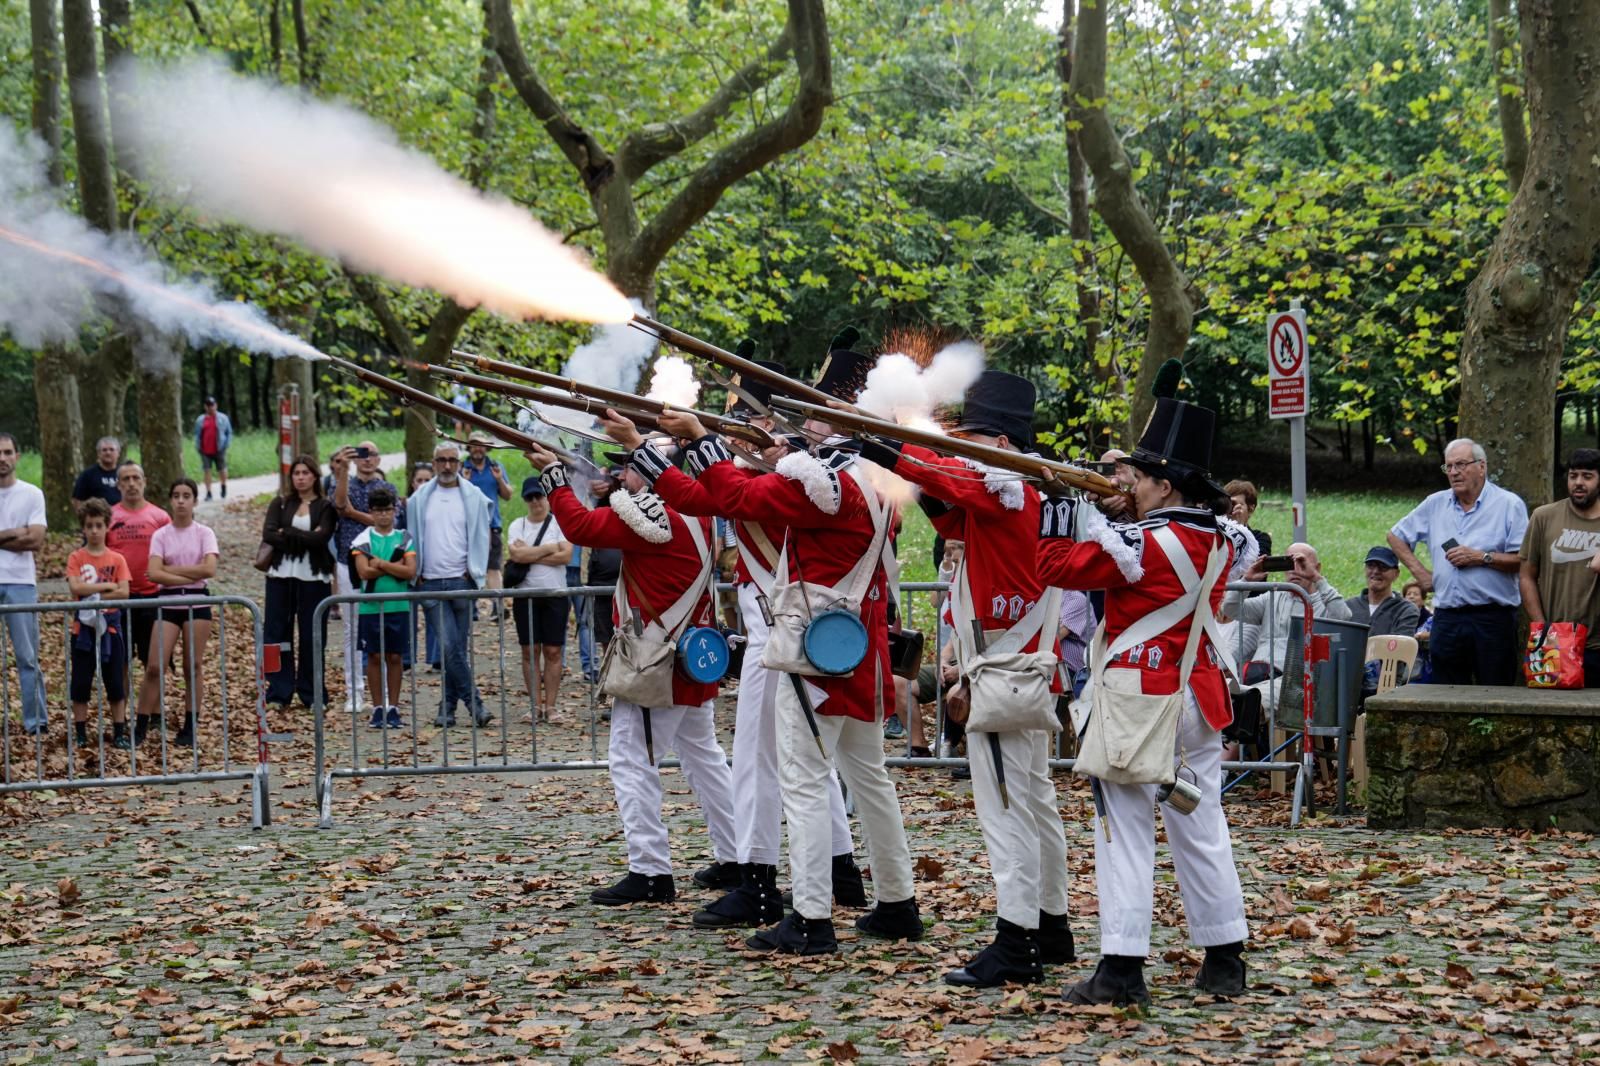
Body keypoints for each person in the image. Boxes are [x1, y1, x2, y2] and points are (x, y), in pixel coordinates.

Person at [652, 341, 923, 958]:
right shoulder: (871, 479)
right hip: (857, 649)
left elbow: (739, 500)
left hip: (818, 649)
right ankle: (898, 903)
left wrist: (701, 440)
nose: (809, 423)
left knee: (802, 778)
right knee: (868, 777)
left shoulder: (826, 483)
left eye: (825, 415)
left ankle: (810, 916)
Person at [601, 352, 866, 931]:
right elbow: (708, 497)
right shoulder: (794, 469)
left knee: (757, 761)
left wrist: (695, 443)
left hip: (783, 625)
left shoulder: (801, 474)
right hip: (784, 623)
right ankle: (841, 870)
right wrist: (646, 448)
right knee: (808, 763)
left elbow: (728, 496)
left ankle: (759, 882)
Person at [1037, 366, 1253, 1006]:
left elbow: (1055, 567)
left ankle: (1122, 968)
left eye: (1138, 476)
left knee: (1122, 829)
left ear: (1166, 484)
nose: (1127, 483)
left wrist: (1059, 508)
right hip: (1199, 694)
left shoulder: (1139, 541)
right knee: (1201, 821)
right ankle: (1223, 957)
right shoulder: (1225, 538)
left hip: (1139, 698)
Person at [860, 369, 1074, 988]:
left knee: (1006, 809)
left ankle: (1017, 940)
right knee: (1034, 803)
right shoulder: (1021, 496)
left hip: (1005, 670)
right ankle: (1052, 925)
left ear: (1000, 445)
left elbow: (943, 476)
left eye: (973, 438)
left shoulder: (1006, 489)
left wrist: (885, 438)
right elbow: (950, 514)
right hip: (1023, 668)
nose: (962, 449)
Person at [522, 440, 738, 908]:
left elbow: (578, 527)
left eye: (632, 469)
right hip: (689, 657)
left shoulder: (652, 515)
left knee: (630, 759)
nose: (624, 476)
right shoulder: (698, 512)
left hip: (656, 663)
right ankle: (736, 855)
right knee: (705, 759)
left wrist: (555, 477)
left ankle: (651, 868)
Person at [1387, 438, 1529, 686]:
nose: (1454, 472)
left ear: (1482, 466)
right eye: (1449, 467)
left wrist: (1481, 557)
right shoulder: (1435, 504)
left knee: (1495, 692)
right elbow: (1396, 535)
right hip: (1448, 616)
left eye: (1461, 465)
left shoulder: (1508, 504)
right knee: (1446, 693)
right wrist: (1421, 574)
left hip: (1492, 618)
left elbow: (1523, 560)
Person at [408, 442, 493, 728]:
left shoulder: (473, 496)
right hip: (430, 581)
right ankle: (475, 704)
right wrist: (416, 571)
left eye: (452, 461)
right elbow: (411, 534)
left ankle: (447, 709)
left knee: (454, 649)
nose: (447, 466)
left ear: (460, 464)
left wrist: (476, 571)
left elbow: (485, 527)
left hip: (462, 580)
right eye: (441, 460)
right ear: (433, 463)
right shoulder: (420, 498)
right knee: (449, 647)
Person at [139, 479, 220, 746]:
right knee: (154, 665)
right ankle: (140, 726)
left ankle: (190, 726)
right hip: (167, 603)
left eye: (187, 496)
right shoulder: (161, 535)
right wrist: (186, 573)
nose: (181, 500)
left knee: (192, 665)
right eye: (176, 496)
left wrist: (169, 571)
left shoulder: (204, 533)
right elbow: (153, 573)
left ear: (195, 501)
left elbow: (208, 570)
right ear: (171, 501)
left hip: (197, 604)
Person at [261, 455, 338, 712]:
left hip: (314, 578)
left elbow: (322, 538)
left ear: (315, 476)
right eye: (296, 473)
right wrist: (306, 535)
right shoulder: (280, 503)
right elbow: (269, 534)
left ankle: (313, 693)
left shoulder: (325, 506)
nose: (301, 477)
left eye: (306, 472)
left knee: (312, 635)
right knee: (276, 634)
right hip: (281, 575)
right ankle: (278, 691)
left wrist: (289, 534)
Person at [1519, 448, 1600, 686]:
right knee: (1548, 715)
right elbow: (1526, 576)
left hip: (1597, 644)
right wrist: (1541, 628)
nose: (1578, 483)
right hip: (1554, 643)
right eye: (1573, 475)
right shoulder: (1544, 517)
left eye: (1587, 476)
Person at [107, 463, 172, 740]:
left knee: (153, 662)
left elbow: (172, 552)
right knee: (120, 661)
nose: (131, 483)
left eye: (136, 478)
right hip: (119, 598)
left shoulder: (159, 516)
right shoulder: (109, 516)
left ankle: (155, 714)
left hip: (152, 597)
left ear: (144, 481)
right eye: (126, 479)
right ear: (118, 484)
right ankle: (121, 719)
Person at [331, 442, 397, 710]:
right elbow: (338, 505)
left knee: (380, 629)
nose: (367, 460)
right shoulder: (345, 483)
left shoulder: (388, 488)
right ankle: (354, 692)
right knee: (351, 630)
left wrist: (353, 514)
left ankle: (381, 695)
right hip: (349, 562)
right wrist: (343, 471)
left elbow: (389, 521)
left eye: (372, 455)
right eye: (362, 455)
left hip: (381, 562)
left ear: (380, 458)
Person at [67, 499, 132, 750]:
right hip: (82, 630)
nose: (94, 530)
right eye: (89, 526)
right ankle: (81, 732)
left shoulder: (117, 559)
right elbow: (76, 587)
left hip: (111, 629)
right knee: (81, 682)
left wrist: (95, 595)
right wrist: (106, 586)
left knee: (115, 681)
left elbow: (124, 592)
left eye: (98, 525)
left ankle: (119, 731)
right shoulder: (76, 557)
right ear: (83, 529)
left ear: (107, 527)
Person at [506, 477, 572, 722]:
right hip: (526, 596)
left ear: (547, 497)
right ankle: (535, 705)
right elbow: (516, 555)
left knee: (553, 651)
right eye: (530, 497)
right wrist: (549, 548)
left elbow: (566, 556)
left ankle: (551, 706)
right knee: (530, 650)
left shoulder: (559, 523)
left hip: (555, 594)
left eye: (539, 496)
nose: (535, 502)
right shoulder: (517, 525)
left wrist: (530, 554)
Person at [351, 487, 416, 727]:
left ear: (395, 511)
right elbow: (363, 571)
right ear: (371, 512)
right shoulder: (363, 539)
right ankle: (378, 707)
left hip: (397, 606)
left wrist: (379, 563)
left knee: (396, 656)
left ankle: (394, 707)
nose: (383, 516)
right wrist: (392, 565)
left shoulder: (404, 538)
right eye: (378, 511)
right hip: (371, 607)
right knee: (374, 656)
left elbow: (410, 571)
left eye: (387, 510)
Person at [0, 434, 48, 736]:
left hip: (21, 583)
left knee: (27, 657)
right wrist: (15, 533)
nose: (2, 459)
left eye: (7, 452)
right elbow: (24, 536)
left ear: (17, 456)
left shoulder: (32, 494)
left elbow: (36, 539)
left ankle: (36, 722)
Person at [462, 431, 515, 617]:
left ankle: (497, 607)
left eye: (481, 444)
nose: (478, 448)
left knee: (493, 567)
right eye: (474, 444)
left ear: (486, 447)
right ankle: (472, 607)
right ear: (468, 447)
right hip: (467, 527)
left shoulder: (495, 467)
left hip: (492, 524)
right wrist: (464, 482)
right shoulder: (462, 468)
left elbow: (508, 495)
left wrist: (499, 478)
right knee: (468, 566)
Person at [401, 462, 438, 672]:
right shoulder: (404, 506)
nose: (423, 484)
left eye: (427, 480)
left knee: (434, 613)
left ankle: (435, 657)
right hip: (407, 566)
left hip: (432, 567)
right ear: (412, 483)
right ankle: (407, 658)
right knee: (408, 614)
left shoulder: (438, 506)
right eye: (419, 480)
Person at [1343, 546, 1419, 639]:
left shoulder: (1405, 610)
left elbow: (1400, 648)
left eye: (1383, 567)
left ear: (1396, 574)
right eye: (1371, 565)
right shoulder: (1348, 606)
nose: (1375, 571)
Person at [192, 397, 233, 501]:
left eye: (213, 405)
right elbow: (197, 434)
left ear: (216, 405)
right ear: (205, 407)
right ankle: (209, 492)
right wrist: (198, 446)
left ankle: (223, 486)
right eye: (209, 405)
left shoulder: (223, 418)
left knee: (222, 469)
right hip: (205, 449)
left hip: (219, 448)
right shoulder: (200, 420)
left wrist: (226, 445)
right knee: (207, 470)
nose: (211, 407)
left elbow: (229, 432)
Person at [72, 436, 123, 514]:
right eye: (104, 450)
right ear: (98, 454)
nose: (108, 452)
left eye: (111, 450)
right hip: (98, 519)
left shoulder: (124, 473)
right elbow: (77, 500)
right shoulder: (88, 475)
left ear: (118, 453)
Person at [1223, 479, 1272, 557]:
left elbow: (1255, 565)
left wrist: (1239, 531)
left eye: (1233, 504)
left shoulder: (1260, 539)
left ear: (1250, 509)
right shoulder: (1215, 534)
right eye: (1226, 503)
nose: (1228, 508)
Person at [1403, 581, 1434, 682]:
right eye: (1408, 594)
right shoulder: (1398, 616)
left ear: (1423, 599)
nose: (1411, 597)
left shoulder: (1429, 619)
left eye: (1416, 594)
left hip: (1422, 667)